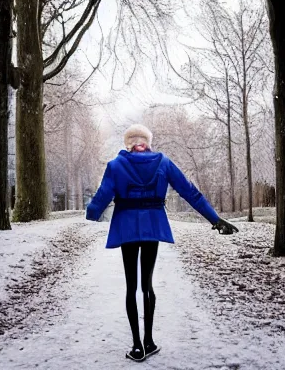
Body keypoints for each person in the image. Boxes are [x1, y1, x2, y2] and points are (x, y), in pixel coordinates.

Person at [86, 124, 238, 362]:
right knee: (147, 284)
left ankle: (136, 346)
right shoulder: (163, 163)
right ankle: (149, 341)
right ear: (147, 142)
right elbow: (189, 191)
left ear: (128, 143)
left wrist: (92, 213)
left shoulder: (115, 166)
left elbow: (101, 197)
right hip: (152, 225)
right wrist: (215, 219)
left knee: (130, 286)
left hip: (126, 226)